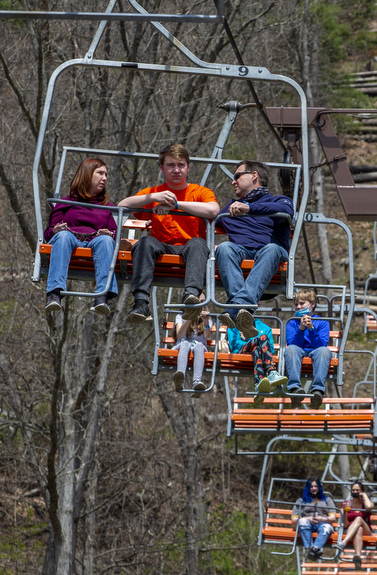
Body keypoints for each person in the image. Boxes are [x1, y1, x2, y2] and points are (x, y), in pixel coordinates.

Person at [120, 144, 219, 324]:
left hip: (190, 249)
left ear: (188, 168)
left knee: (198, 243)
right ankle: (141, 303)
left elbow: (213, 210)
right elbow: (122, 205)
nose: (176, 170)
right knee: (144, 242)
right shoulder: (155, 192)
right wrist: (154, 197)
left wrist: (176, 205)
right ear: (162, 169)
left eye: (181, 165)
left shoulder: (200, 192)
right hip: (161, 248)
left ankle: (191, 297)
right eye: (171, 165)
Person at [214, 160, 294, 339]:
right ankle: (242, 308)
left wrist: (249, 208)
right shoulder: (231, 207)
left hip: (271, 255)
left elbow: (286, 211)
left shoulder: (278, 200)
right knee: (224, 247)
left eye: (237, 176)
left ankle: (235, 307)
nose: (233, 182)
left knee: (271, 249)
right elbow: (206, 220)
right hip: (241, 252)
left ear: (254, 176)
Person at [43, 158, 118, 315]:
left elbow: (115, 234)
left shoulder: (108, 207)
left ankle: (102, 295)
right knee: (63, 236)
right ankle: (54, 293)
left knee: (106, 240)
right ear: (87, 174)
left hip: (95, 241)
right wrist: (56, 230)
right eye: (100, 173)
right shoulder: (65, 202)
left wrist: (109, 234)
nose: (105, 178)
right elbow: (48, 234)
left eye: (106, 174)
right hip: (70, 239)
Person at [284, 289, 334, 409]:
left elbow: (321, 345)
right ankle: (295, 389)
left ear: (312, 304)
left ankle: (317, 391)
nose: (298, 307)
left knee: (324, 351)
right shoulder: (292, 323)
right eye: (296, 304)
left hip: (315, 350)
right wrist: (301, 329)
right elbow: (292, 344)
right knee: (291, 349)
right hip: (298, 350)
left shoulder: (322, 322)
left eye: (302, 304)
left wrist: (311, 329)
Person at [226, 316, 287, 403]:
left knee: (257, 349)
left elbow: (271, 349)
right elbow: (234, 344)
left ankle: (259, 383)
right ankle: (271, 371)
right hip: (241, 351)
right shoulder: (234, 325)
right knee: (263, 338)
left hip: (258, 355)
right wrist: (249, 340)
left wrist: (252, 341)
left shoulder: (265, 328)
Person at [291, 477, 337, 562]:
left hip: (323, 524)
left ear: (319, 488)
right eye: (311, 487)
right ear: (308, 488)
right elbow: (294, 520)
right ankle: (311, 549)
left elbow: (333, 518)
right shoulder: (301, 501)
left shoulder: (327, 500)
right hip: (307, 525)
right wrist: (308, 518)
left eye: (316, 486)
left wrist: (322, 519)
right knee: (302, 521)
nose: (314, 489)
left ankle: (314, 549)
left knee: (327, 527)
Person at [172, 307, 213, 397]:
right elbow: (179, 334)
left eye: (203, 303)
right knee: (185, 344)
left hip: (199, 347)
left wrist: (206, 322)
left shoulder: (207, 319)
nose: (202, 306)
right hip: (183, 345)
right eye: (199, 303)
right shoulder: (180, 316)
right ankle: (180, 379)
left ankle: (196, 382)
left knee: (199, 346)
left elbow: (207, 335)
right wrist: (189, 317)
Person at [334, 481, 374, 570]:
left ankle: (343, 543)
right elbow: (345, 524)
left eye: (357, 490)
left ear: (362, 491)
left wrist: (364, 495)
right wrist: (344, 512)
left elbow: (368, 507)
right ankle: (357, 557)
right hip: (350, 530)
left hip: (366, 530)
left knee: (359, 519)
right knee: (359, 529)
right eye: (353, 490)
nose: (355, 492)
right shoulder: (345, 504)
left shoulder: (366, 503)